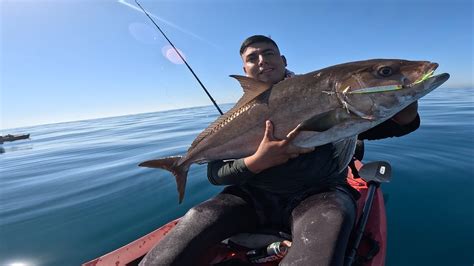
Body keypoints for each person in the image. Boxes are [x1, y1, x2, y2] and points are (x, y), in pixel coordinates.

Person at [140, 35, 420, 266]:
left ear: (283, 60)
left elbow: (388, 125)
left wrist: (405, 103)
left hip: (320, 195)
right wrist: (258, 161)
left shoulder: (328, 92)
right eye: (252, 58)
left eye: (268, 53)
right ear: (247, 70)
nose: (262, 61)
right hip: (251, 197)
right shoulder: (235, 118)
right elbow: (216, 174)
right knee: (195, 221)